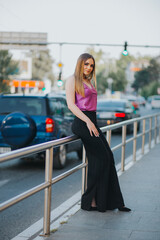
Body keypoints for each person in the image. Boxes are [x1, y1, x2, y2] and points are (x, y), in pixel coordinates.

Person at [66, 53, 131, 212]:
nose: (89, 68)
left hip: (92, 121)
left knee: (106, 158)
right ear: (80, 63)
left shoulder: (90, 81)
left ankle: (106, 202)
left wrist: (92, 122)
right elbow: (71, 105)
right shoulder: (72, 79)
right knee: (103, 158)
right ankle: (89, 200)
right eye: (86, 64)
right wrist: (88, 122)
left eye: (91, 65)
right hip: (82, 122)